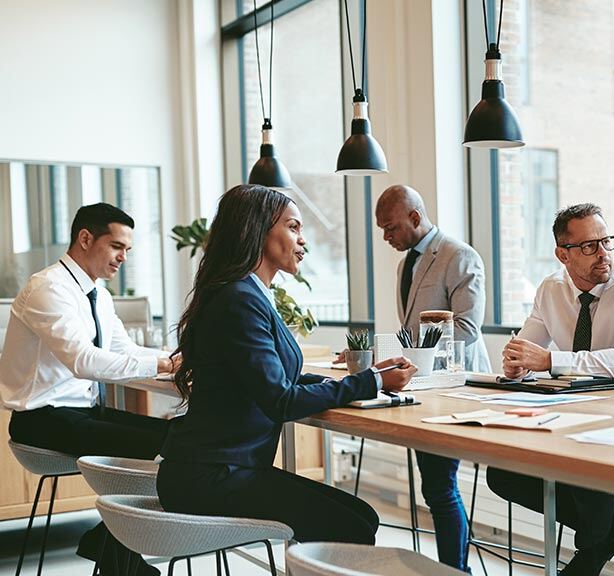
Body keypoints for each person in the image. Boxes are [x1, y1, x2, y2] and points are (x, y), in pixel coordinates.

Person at [156, 185, 418, 549]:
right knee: (354, 526)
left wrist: (367, 380)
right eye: (293, 227)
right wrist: (370, 381)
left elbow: (280, 379)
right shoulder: (239, 300)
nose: (303, 241)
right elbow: (280, 399)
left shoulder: (244, 293)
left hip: (222, 468)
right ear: (258, 231)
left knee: (363, 518)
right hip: (212, 476)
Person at [488, 203, 614, 576]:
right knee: (504, 471)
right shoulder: (551, 289)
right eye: (589, 246)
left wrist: (549, 361)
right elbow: (526, 350)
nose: (604, 253)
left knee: (586, 460)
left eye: (606, 241)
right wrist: (514, 364)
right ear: (563, 254)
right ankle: (613, 528)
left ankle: (599, 541)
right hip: (583, 412)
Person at [0, 202, 176, 575]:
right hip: (39, 419)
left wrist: (174, 359)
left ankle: (110, 543)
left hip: (80, 413)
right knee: (160, 448)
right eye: (117, 246)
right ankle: (117, 551)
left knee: (174, 436)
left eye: (127, 250)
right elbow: (83, 360)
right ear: (85, 238)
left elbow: (121, 351)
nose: (123, 257)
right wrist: (161, 364)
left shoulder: (100, 294)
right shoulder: (47, 288)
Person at [375, 183, 490, 571]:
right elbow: (409, 327)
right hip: (421, 390)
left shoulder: (460, 256)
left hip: (453, 389)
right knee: (435, 487)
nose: (386, 237)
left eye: (390, 228)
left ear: (414, 217)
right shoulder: (406, 262)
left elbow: (468, 329)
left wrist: (416, 352)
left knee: (440, 488)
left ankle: (457, 570)